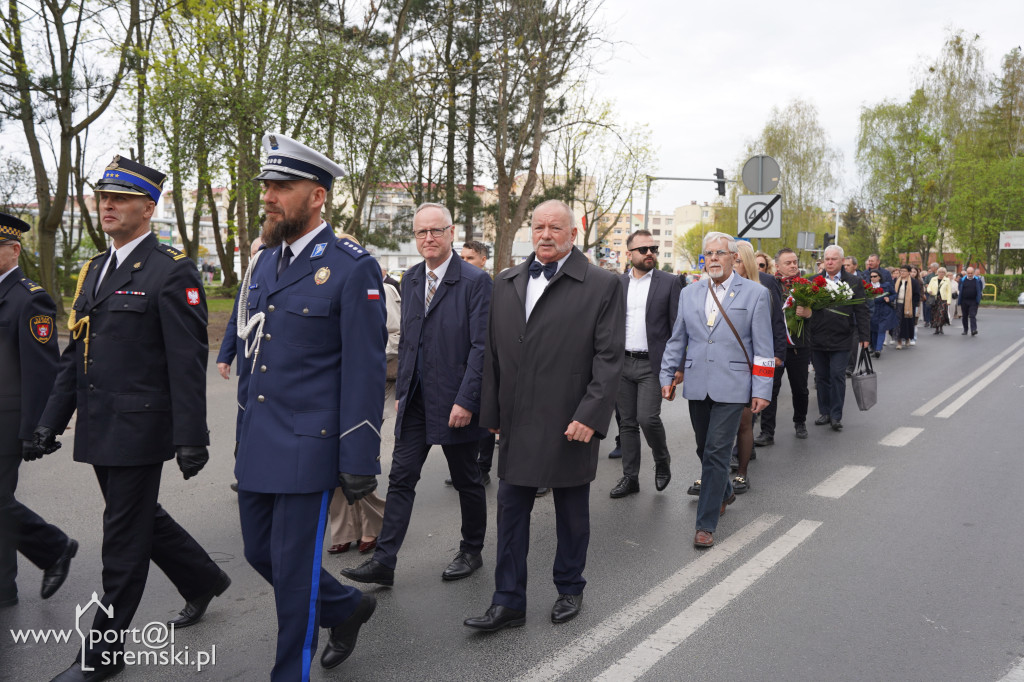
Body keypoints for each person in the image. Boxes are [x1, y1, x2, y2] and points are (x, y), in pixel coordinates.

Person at [34, 156, 229, 682]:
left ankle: (101, 655)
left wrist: (192, 437)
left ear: (149, 207)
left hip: (142, 429)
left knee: (121, 540)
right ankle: (202, 577)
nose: (108, 206)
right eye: (103, 197)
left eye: (119, 198)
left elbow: (187, 362)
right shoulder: (96, 269)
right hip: (100, 424)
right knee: (139, 517)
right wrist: (49, 423)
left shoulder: (172, 270)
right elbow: (75, 354)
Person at [233, 133, 387, 680]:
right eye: (268, 187)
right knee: (259, 553)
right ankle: (347, 606)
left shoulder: (351, 267)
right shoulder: (265, 263)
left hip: (309, 444)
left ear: (317, 196)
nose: (269, 196)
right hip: (260, 440)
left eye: (282, 186)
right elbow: (256, 358)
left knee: (294, 573)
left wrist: (359, 457)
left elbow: (366, 372)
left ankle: (287, 674)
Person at [464, 199, 624, 631]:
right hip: (517, 418)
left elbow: (609, 359)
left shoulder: (602, 284)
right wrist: (493, 412)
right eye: (539, 226)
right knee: (511, 509)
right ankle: (508, 600)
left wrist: (590, 415)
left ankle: (570, 587)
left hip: (570, 416)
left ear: (573, 233)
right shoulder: (508, 281)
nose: (546, 234)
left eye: (556, 227)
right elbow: (493, 353)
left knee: (571, 510)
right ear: (530, 232)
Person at [341, 203, 490, 588]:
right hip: (417, 401)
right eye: (421, 232)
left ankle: (471, 550)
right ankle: (385, 561)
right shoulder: (409, 279)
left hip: (456, 403)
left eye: (436, 231)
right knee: (402, 478)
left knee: (467, 480)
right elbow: (409, 342)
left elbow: (481, 348)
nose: (428, 239)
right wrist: (401, 392)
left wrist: (467, 400)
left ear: (451, 232)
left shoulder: (474, 281)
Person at [660, 231, 774, 548]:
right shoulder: (690, 293)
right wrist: (667, 374)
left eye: (719, 253)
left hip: (734, 386)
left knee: (715, 452)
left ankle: (705, 525)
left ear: (733, 258)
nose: (712, 258)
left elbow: (764, 347)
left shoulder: (755, 294)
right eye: (708, 254)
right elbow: (677, 339)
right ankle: (724, 490)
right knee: (703, 448)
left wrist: (763, 387)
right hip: (697, 385)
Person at [0, 214, 78, 610]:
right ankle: (4, 589)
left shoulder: (29, 297)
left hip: (8, 419)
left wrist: (37, 427)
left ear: (14, 250)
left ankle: (54, 547)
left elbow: (42, 369)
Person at [327, 238, 397, 557]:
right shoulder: (327, 283)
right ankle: (344, 529)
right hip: (329, 387)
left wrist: (365, 357)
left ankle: (377, 525)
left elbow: (391, 333)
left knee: (358, 461)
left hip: (364, 385)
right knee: (332, 466)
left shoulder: (381, 286)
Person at [609, 229, 681, 499]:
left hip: (654, 365)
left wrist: (678, 367)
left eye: (653, 248)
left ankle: (661, 459)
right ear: (629, 254)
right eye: (643, 249)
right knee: (626, 423)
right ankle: (631, 478)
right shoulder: (617, 283)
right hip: (622, 363)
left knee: (647, 418)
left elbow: (677, 326)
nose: (649, 252)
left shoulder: (670, 282)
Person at [443, 239, 498, 486]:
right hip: (461, 363)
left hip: (486, 360)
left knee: (484, 417)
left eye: (470, 258)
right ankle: (466, 467)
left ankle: (482, 467)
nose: (464, 262)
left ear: (483, 260)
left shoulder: (487, 284)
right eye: (462, 258)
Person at [733, 241, 785, 495]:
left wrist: (776, 356)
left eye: (737, 259)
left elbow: (776, 323)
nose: (732, 264)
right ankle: (714, 472)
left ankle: (741, 472)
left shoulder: (764, 285)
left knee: (744, 421)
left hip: (750, 363)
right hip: (723, 366)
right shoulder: (713, 286)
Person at [805, 245, 869, 431]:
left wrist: (865, 337)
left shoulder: (854, 282)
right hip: (818, 337)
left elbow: (862, 311)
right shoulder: (813, 281)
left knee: (837, 376)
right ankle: (824, 412)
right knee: (822, 377)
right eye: (827, 259)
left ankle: (836, 415)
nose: (830, 262)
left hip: (842, 338)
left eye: (834, 259)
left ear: (842, 261)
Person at [218, 236, 265, 493]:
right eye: (255, 252)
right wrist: (225, 357)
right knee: (243, 418)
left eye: (262, 251)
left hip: (267, 366)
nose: (257, 256)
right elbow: (236, 320)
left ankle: (257, 475)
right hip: (248, 366)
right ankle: (243, 474)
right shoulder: (249, 283)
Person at [761, 248, 812, 441]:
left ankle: (800, 422)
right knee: (770, 389)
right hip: (773, 348)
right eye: (788, 263)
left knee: (800, 388)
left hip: (799, 346)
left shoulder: (805, 286)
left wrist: (809, 313)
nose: (793, 266)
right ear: (778, 266)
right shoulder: (768, 284)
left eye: (795, 262)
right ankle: (767, 431)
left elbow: (816, 315)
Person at [867, 269, 898, 358]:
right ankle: (873, 347)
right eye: (871, 276)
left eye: (875, 276)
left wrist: (889, 299)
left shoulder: (886, 285)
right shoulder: (867, 287)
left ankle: (878, 349)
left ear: (879, 277)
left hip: (884, 310)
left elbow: (894, 294)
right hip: (873, 310)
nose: (873, 278)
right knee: (873, 330)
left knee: (881, 329)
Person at [894, 265, 921, 350]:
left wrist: (912, 304)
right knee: (897, 324)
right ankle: (899, 342)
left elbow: (917, 295)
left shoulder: (914, 282)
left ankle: (907, 338)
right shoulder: (896, 280)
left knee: (907, 323)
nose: (902, 273)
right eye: (901, 271)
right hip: (897, 304)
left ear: (909, 272)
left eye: (904, 271)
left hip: (908, 306)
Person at [927, 267, 952, 334]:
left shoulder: (947, 280)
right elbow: (929, 286)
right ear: (937, 273)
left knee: (941, 313)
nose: (941, 273)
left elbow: (949, 291)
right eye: (940, 272)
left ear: (945, 273)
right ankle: (936, 328)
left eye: (943, 272)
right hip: (934, 298)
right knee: (935, 313)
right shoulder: (933, 279)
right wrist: (929, 290)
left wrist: (949, 301)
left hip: (943, 299)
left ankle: (941, 327)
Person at [959, 267, 983, 336]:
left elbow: (980, 289)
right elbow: (959, 288)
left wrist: (978, 299)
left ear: (974, 273)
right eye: (968, 273)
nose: (970, 274)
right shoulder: (962, 280)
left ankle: (973, 330)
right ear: (966, 273)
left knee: (972, 315)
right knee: (965, 316)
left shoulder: (977, 280)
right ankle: (965, 330)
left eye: (971, 273)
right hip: (964, 300)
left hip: (973, 301)